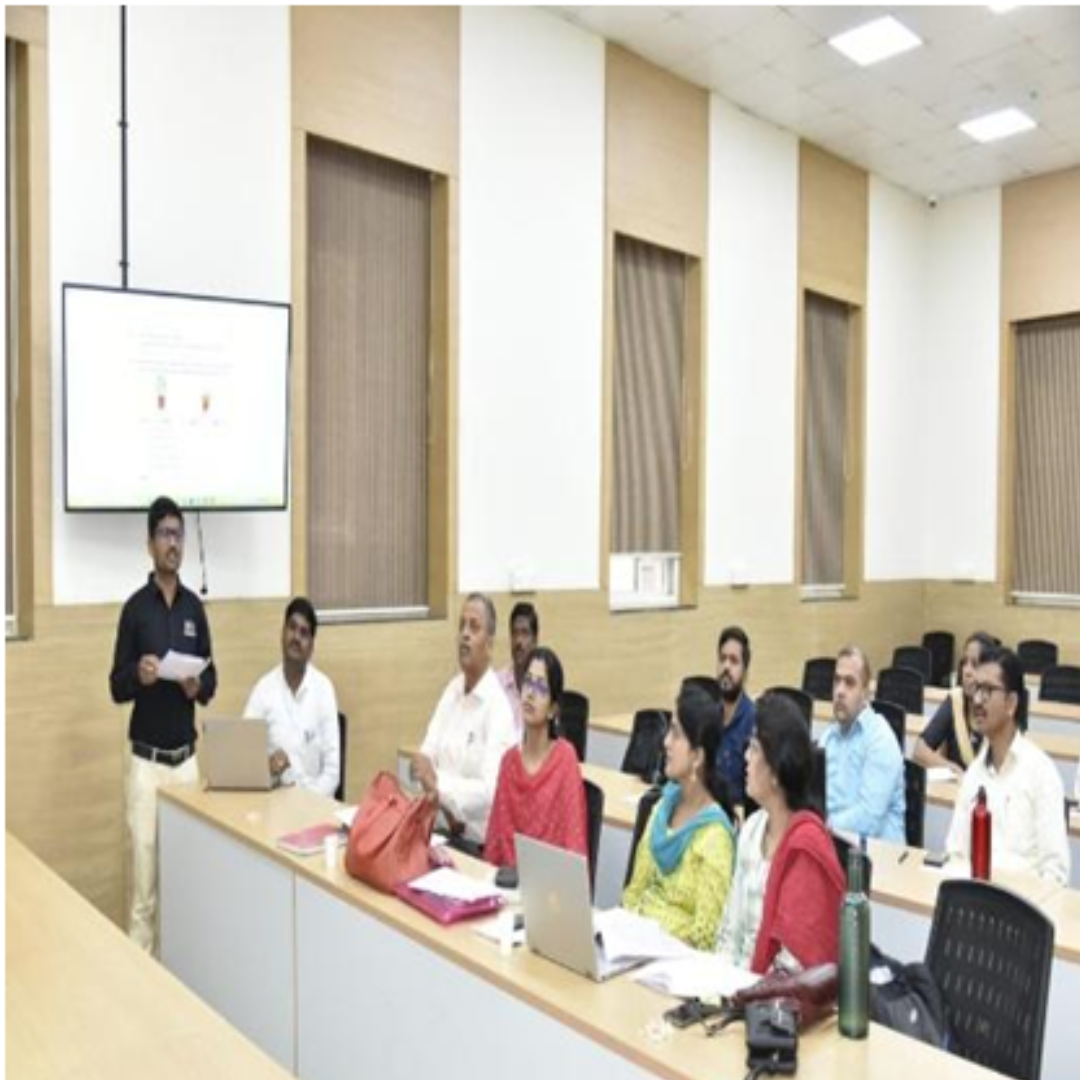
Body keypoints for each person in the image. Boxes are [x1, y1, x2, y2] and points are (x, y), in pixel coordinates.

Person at [109, 496, 217, 953]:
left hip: (187, 766)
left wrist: (198, 686)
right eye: (166, 535)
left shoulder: (194, 608)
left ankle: (181, 977)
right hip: (146, 767)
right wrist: (139, 674)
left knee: (188, 886)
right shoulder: (135, 610)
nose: (173, 543)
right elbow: (116, 686)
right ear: (150, 543)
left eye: (179, 535)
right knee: (144, 895)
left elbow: (212, 678)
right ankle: (139, 982)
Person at [716, 693, 845, 973]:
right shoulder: (751, 828)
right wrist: (717, 985)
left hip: (775, 994)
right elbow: (730, 930)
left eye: (754, 749)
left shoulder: (805, 848)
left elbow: (794, 968)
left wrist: (746, 992)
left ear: (776, 769)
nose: (745, 758)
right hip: (735, 983)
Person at [623, 685, 735, 950]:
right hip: (632, 949)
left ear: (698, 757)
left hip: (674, 965)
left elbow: (704, 938)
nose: (665, 743)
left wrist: (654, 948)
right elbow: (632, 893)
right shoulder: (662, 808)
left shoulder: (715, 837)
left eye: (676, 734)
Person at [945, 646, 1069, 884]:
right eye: (976, 689)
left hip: (1022, 903)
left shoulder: (1041, 772)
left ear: (1011, 703)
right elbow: (955, 853)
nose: (977, 700)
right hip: (976, 899)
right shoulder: (974, 775)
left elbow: (1055, 872)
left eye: (988, 690)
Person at [411, 594, 516, 847]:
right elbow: (425, 758)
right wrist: (435, 788)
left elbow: (489, 793)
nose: (465, 635)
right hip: (437, 831)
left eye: (474, 627)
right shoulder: (452, 690)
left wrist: (439, 787)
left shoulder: (498, 709)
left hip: (474, 845)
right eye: (462, 626)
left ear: (489, 643)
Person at [484, 646, 588, 869]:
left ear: (553, 710)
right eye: (528, 683)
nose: (530, 693)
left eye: (541, 687)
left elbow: (575, 845)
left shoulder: (565, 759)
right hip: (507, 882)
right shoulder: (508, 762)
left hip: (551, 884)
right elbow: (493, 845)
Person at [243, 597, 340, 797]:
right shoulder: (264, 689)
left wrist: (308, 804)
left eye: (304, 633)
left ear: (311, 646)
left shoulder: (323, 689)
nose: (296, 637)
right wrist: (266, 768)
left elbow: (332, 773)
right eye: (292, 628)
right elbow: (244, 755)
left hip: (315, 803)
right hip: (274, 803)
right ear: (282, 633)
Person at [819, 645, 905, 842]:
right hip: (834, 843)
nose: (840, 691)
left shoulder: (880, 738)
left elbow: (869, 819)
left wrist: (821, 827)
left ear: (865, 691)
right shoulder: (828, 737)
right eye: (836, 681)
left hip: (878, 853)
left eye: (849, 683)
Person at [913, 631, 996, 776]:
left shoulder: (998, 708)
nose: (967, 671)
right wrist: (952, 768)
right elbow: (919, 750)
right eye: (964, 663)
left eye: (975, 665)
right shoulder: (955, 701)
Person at [715, 625, 755, 808]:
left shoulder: (753, 721)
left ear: (745, 671)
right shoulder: (707, 715)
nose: (726, 667)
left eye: (734, 661)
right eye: (722, 659)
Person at [498, 601, 539, 738]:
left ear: (535, 640)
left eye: (525, 633)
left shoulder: (543, 688)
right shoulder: (496, 686)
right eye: (514, 633)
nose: (518, 641)